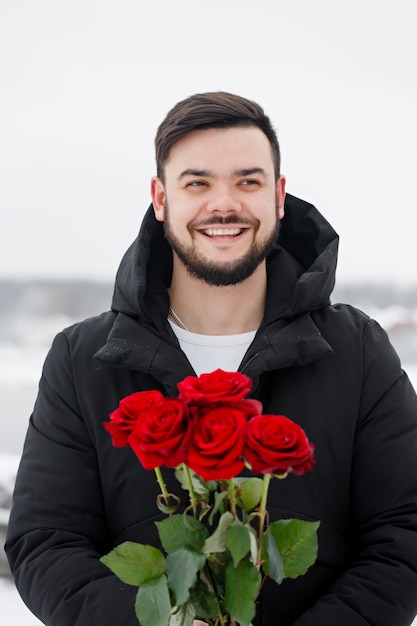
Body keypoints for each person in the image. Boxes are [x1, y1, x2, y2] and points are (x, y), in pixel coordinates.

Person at [5, 91, 417, 626]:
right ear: (160, 198)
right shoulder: (82, 360)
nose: (224, 205)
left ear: (278, 195)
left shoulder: (358, 350)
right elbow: (46, 542)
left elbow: (404, 530)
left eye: (248, 181)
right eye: (197, 182)